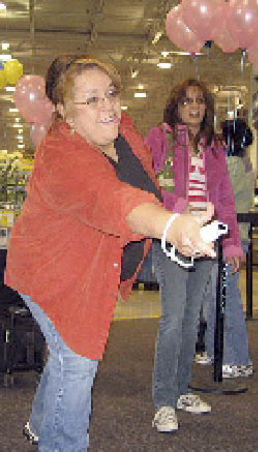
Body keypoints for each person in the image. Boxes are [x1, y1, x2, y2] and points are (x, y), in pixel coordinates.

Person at [5, 58, 216, 451]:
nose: (108, 106)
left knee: (66, 358)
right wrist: (170, 228)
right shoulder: (61, 153)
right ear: (64, 112)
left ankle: (38, 425)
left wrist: (173, 214)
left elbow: (142, 186)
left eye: (111, 94)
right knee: (79, 360)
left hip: (89, 265)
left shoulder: (122, 131)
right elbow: (114, 199)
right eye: (91, 99)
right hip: (49, 273)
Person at [144, 79, 243, 433]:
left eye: (200, 101)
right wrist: (179, 206)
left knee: (190, 322)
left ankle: (182, 389)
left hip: (207, 240)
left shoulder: (214, 145)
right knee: (172, 320)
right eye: (187, 100)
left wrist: (231, 243)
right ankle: (163, 401)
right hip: (172, 235)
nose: (195, 106)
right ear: (176, 104)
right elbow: (145, 183)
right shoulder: (161, 137)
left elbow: (226, 197)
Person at [196, 118, 255, 378]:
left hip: (230, 239)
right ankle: (215, 350)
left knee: (225, 298)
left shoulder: (232, 165)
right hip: (225, 238)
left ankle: (237, 357)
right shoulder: (243, 163)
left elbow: (218, 197)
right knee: (214, 298)